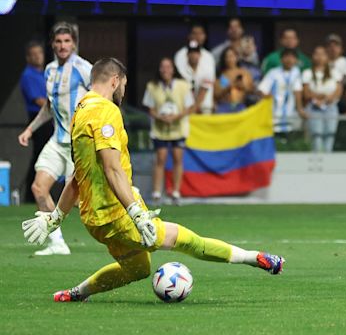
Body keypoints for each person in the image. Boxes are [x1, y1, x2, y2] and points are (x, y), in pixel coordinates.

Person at [21, 58, 285, 303]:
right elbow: (112, 170)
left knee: (138, 269)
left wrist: (56, 217)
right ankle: (255, 258)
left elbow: (78, 176)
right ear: (114, 80)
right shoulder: (105, 112)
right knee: (188, 241)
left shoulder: (80, 111)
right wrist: (137, 213)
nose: (123, 90)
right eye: (123, 84)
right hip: (118, 215)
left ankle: (76, 293)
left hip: (95, 222)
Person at [18, 22, 92, 256]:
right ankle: (57, 242)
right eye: (58, 41)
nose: (63, 46)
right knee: (38, 188)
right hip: (56, 141)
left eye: (67, 41)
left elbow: (102, 97)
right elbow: (49, 107)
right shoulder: (49, 71)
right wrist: (30, 129)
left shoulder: (84, 68)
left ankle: (134, 222)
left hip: (79, 144)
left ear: (74, 43)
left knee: (86, 203)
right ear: (52, 44)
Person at [142, 57, 194, 206]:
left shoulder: (183, 86)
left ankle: (176, 192)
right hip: (160, 129)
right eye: (163, 67)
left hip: (178, 127)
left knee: (178, 158)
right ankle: (157, 193)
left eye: (168, 67)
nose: (165, 70)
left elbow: (189, 107)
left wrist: (176, 117)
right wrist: (160, 117)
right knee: (160, 157)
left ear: (173, 69)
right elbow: (150, 108)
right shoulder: (152, 86)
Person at [19, 40, 53, 203]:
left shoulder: (45, 73)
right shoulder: (28, 74)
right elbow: (40, 101)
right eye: (33, 54)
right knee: (41, 157)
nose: (37, 57)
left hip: (50, 117)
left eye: (39, 53)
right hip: (39, 120)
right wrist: (58, 106)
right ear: (28, 57)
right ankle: (32, 195)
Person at [302, 45, 342, 152]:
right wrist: (318, 98)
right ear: (313, 57)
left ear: (327, 57)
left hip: (331, 107)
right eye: (317, 54)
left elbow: (338, 90)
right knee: (316, 137)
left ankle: (328, 163)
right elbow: (306, 93)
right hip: (314, 107)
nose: (319, 57)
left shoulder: (334, 72)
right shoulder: (307, 73)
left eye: (322, 54)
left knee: (330, 135)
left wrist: (328, 98)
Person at [258, 48, 307, 133]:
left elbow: (297, 91)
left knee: (289, 138)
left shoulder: (296, 72)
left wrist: (300, 109)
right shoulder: (273, 73)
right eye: (286, 57)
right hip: (274, 112)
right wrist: (266, 96)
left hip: (289, 112)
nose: (289, 60)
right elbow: (261, 89)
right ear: (281, 59)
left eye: (292, 57)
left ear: (296, 60)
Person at [214, 47, 254, 113]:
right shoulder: (221, 75)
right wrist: (228, 87)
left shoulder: (244, 73)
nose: (229, 59)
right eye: (227, 57)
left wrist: (243, 87)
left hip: (240, 106)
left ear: (237, 57)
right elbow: (216, 94)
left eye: (232, 56)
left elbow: (251, 90)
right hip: (224, 107)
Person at [178, 41, 215, 114]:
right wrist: (191, 109)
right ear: (187, 55)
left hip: (204, 106)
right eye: (191, 52)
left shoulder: (207, 69)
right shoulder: (181, 71)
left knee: (206, 108)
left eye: (196, 52)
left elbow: (203, 92)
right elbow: (186, 91)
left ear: (200, 55)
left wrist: (194, 108)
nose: (193, 55)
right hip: (187, 107)